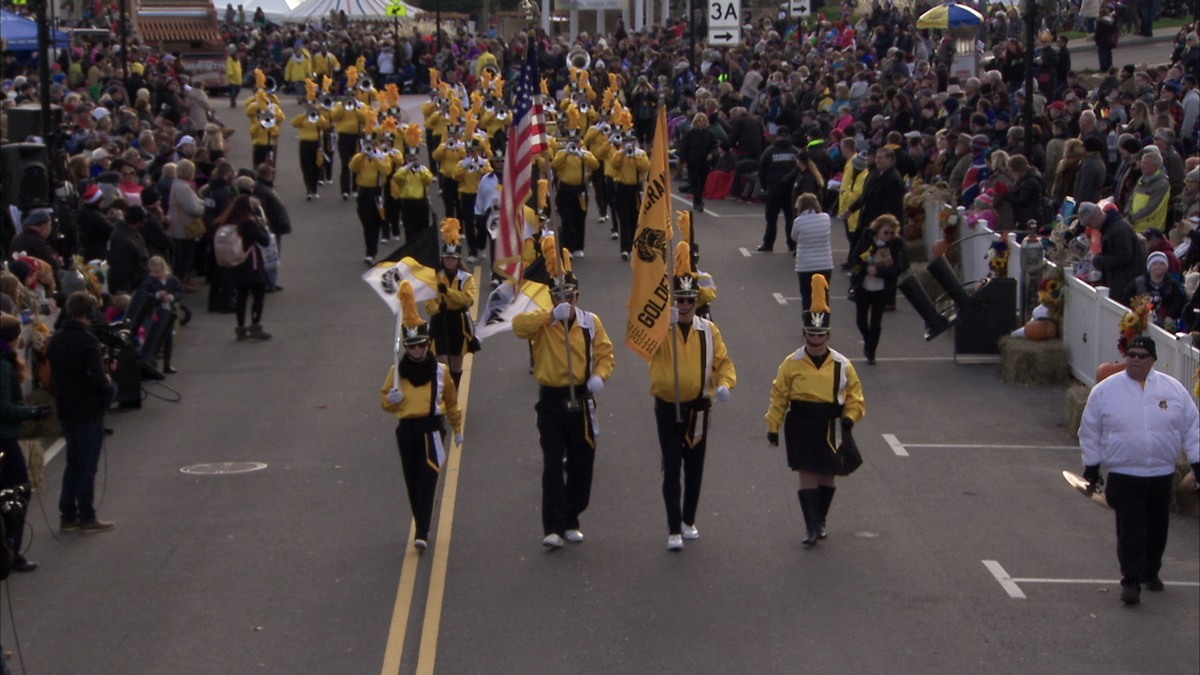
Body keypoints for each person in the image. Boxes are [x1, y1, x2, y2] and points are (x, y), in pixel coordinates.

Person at [1078, 336, 1200, 606]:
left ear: (1153, 360)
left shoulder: (1173, 390)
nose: (1135, 359)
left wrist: (1197, 463)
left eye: (1142, 355)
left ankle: (1151, 571)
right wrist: (1092, 465)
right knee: (1130, 528)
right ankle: (1130, 581)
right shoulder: (1106, 390)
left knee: (1157, 527)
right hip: (1124, 473)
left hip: (1161, 473)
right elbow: (1090, 429)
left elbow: (1193, 428)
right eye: (1131, 354)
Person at [513, 245, 614, 548]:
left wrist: (599, 376)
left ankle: (572, 517)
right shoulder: (543, 323)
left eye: (569, 297)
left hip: (582, 400)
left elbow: (605, 354)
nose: (564, 302)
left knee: (583, 463)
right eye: (558, 296)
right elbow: (518, 327)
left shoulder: (589, 322)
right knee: (553, 463)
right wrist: (548, 316)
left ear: (577, 297)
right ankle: (553, 527)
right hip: (552, 401)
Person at [765, 277, 865, 547]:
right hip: (800, 421)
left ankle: (820, 519)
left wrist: (849, 418)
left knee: (828, 474)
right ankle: (810, 527)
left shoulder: (841, 364)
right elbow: (779, 395)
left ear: (828, 335)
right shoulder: (792, 362)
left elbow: (855, 396)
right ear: (804, 334)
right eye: (811, 334)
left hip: (830, 422)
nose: (816, 340)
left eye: (821, 335)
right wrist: (773, 426)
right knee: (806, 472)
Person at [649, 243, 737, 551]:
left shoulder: (708, 330)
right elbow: (642, 343)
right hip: (667, 406)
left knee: (694, 465)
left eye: (689, 299)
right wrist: (663, 323)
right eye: (679, 299)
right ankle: (673, 527)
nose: (684, 304)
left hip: (698, 407)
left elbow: (723, 363)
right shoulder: (663, 328)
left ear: (696, 301)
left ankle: (688, 519)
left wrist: (725, 384)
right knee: (672, 465)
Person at [381, 280, 463, 552]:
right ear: (406, 347)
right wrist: (391, 401)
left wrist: (457, 427)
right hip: (406, 430)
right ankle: (420, 521)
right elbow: (385, 402)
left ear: (428, 344)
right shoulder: (397, 372)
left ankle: (422, 531)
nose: (417, 350)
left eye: (421, 346)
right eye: (412, 346)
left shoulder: (440, 371)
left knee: (428, 479)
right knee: (412, 481)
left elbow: (451, 401)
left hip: (432, 430)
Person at [46, 291, 115, 534]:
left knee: (72, 462)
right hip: (87, 407)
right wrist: (108, 385)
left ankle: (68, 515)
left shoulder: (56, 339)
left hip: (66, 406)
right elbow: (97, 377)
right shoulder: (87, 341)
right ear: (89, 313)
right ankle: (87, 515)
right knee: (87, 464)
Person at [1, 313, 52, 572]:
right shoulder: (3, 365)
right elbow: (4, 407)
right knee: (18, 492)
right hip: (4, 438)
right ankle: (12, 551)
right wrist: (33, 412)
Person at [425, 220, 479, 389]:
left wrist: (447, 292)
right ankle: (443, 393)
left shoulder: (466, 278)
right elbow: (428, 305)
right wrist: (438, 308)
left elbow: (466, 299)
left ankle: (453, 392)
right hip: (440, 321)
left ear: (458, 260)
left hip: (458, 321)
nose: (449, 262)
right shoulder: (433, 277)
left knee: (456, 362)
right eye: (447, 258)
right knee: (442, 362)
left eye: (453, 259)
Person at [849, 215, 909, 365]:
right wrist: (865, 268)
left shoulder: (895, 246)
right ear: (877, 230)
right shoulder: (866, 240)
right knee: (861, 320)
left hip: (882, 289)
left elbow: (898, 268)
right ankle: (868, 339)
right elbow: (855, 257)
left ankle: (871, 352)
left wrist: (879, 272)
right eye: (886, 232)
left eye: (891, 233)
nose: (889, 236)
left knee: (876, 322)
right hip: (863, 286)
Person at [217, 195, 272, 340]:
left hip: (236, 262)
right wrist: (262, 226)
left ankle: (240, 328)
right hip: (251, 262)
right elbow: (265, 241)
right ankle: (255, 326)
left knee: (241, 296)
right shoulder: (248, 223)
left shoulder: (228, 221)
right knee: (258, 294)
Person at [1077, 201, 1145, 299]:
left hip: (1127, 286)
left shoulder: (1118, 229)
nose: (1090, 228)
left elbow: (1124, 256)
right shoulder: (1112, 228)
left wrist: (1098, 260)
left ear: (1094, 218)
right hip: (1123, 283)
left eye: (1090, 224)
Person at [757, 126, 800, 252]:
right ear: (788, 136)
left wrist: (764, 186)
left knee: (771, 220)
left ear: (777, 136)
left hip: (774, 189)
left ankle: (768, 244)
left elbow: (762, 170)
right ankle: (792, 244)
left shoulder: (770, 151)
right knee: (790, 219)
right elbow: (798, 170)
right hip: (790, 190)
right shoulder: (794, 152)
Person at [1118, 252, 1189, 327]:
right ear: (1149, 266)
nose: (1159, 266)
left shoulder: (1172, 284)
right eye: (1155, 263)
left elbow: (1177, 302)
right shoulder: (1137, 283)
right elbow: (1126, 299)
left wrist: (1170, 315)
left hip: (1163, 321)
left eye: (1162, 263)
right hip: (1140, 320)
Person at [791, 193, 833, 311]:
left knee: (807, 295)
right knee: (823, 294)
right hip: (825, 263)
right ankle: (824, 321)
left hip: (805, 264)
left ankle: (808, 322)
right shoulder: (826, 217)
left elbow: (794, 237)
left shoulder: (798, 221)